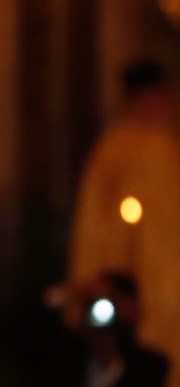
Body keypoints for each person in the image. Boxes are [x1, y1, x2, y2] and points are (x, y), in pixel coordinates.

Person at [68, 59, 180, 387]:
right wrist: (92, 281)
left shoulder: (171, 148)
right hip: (131, 282)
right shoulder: (113, 152)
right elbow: (91, 226)